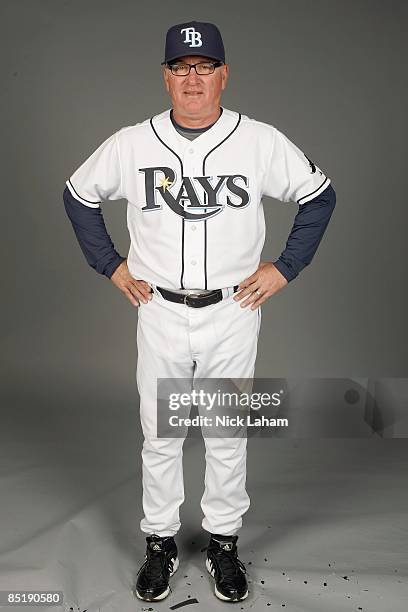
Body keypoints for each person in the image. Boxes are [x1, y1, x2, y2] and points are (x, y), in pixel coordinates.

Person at [63, 20, 336, 604]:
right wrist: (111, 265)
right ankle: (160, 541)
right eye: (181, 68)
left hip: (233, 310)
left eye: (204, 67)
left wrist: (284, 268)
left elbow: (319, 196)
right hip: (159, 309)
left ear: (223, 75)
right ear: (165, 78)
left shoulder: (258, 140)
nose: (193, 78)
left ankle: (223, 539)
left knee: (225, 430)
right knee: (160, 433)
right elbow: (78, 195)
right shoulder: (133, 142)